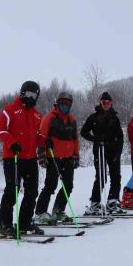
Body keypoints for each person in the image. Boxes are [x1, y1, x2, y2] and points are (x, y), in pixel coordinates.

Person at [0, 80, 45, 238]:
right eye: (28, 94)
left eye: (34, 95)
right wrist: (12, 142)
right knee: (12, 191)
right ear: (22, 93)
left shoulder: (36, 114)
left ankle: (24, 223)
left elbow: (35, 137)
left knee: (32, 192)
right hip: (13, 157)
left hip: (30, 159)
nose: (30, 98)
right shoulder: (9, 110)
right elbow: (0, 130)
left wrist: (44, 141)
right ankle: (5, 226)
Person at [35, 92, 80, 224]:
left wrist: (76, 155)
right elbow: (41, 137)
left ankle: (58, 211)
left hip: (68, 158)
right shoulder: (49, 118)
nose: (65, 105)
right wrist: (42, 155)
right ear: (58, 103)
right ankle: (40, 212)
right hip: (53, 157)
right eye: (63, 103)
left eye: (68, 103)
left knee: (68, 186)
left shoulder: (72, 120)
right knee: (50, 185)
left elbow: (75, 139)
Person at [81, 91, 124, 214]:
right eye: (104, 102)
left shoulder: (115, 118)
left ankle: (112, 201)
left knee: (116, 175)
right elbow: (84, 132)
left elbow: (120, 137)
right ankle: (95, 203)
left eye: (109, 102)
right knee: (101, 176)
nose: (106, 105)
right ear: (100, 102)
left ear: (111, 103)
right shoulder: (93, 117)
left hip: (113, 150)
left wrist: (118, 152)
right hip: (99, 149)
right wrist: (96, 139)